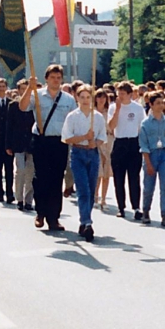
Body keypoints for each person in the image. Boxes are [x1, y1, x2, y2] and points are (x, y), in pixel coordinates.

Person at [20, 65, 77, 232]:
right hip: (41, 140)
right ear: (46, 79)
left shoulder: (68, 99)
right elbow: (22, 107)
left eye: (59, 77)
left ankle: (54, 218)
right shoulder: (37, 96)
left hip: (60, 142)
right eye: (53, 77)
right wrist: (29, 89)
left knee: (56, 179)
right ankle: (40, 212)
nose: (56, 80)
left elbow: (74, 119)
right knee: (40, 179)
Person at [61, 85, 106, 242]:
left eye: (88, 97)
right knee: (83, 189)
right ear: (77, 98)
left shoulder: (97, 117)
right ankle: (87, 222)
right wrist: (84, 137)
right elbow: (67, 138)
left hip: (92, 154)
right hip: (78, 154)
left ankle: (84, 219)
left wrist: (95, 142)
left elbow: (102, 137)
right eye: (82, 97)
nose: (85, 100)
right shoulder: (72, 116)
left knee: (91, 189)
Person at [108, 82, 145, 220]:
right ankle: (121, 207)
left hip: (133, 142)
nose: (120, 96)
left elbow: (142, 126)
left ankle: (136, 206)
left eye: (123, 94)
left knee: (134, 177)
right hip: (120, 142)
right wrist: (117, 109)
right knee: (119, 177)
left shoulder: (138, 108)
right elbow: (111, 126)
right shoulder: (113, 107)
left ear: (130, 94)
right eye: (119, 93)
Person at [138, 92, 165, 227]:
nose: (160, 106)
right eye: (157, 103)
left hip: (164, 154)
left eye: (162, 103)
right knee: (149, 186)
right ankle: (146, 211)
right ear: (151, 105)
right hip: (151, 154)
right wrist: (148, 163)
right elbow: (143, 145)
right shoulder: (145, 124)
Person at [5, 79, 35, 212]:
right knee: (20, 171)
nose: (24, 91)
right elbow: (9, 126)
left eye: (26, 88)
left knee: (30, 172)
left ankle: (29, 200)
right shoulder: (13, 105)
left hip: (32, 142)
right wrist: (8, 144)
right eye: (22, 89)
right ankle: (19, 198)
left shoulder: (35, 105)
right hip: (17, 142)